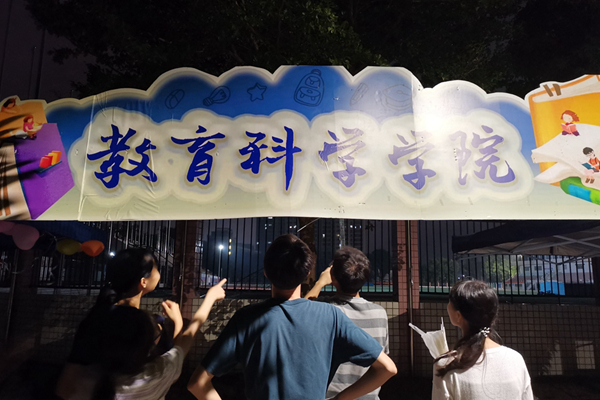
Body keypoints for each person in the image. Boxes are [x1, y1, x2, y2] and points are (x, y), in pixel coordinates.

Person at [188, 234, 397, 400]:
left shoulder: (246, 319)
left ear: (266, 272)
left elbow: (197, 383)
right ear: (306, 274)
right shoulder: (331, 315)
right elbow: (387, 368)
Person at [56, 248, 180, 398]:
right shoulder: (146, 326)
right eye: (156, 268)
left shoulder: (96, 317)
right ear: (143, 282)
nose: (159, 272)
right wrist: (178, 323)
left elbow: (66, 385)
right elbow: (169, 372)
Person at [304, 246, 389, 400]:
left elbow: (300, 312)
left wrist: (319, 283)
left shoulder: (325, 309)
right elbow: (384, 357)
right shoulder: (380, 313)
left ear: (333, 277)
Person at [432, 279, 534, 400]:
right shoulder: (516, 359)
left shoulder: (446, 365)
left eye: (450, 302)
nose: (447, 306)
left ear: (458, 316)